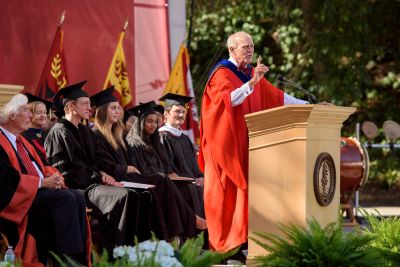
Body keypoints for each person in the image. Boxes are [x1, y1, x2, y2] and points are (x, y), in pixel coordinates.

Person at [198, 31, 307, 252]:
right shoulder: (221, 75)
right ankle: (222, 250)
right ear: (231, 50)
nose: (250, 50)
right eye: (245, 47)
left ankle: (244, 244)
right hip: (226, 150)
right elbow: (227, 102)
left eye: (252, 46)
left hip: (250, 147)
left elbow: (279, 97)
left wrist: (309, 106)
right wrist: (251, 84)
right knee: (225, 199)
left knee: (247, 200)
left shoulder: (250, 73)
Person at [44, 82, 138, 254]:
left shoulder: (84, 130)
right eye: (85, 104)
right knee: (120, 196)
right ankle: (113, 253)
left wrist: (104, 174)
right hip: (75, 189)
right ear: (71, 106)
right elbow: (69, 172)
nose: (90, 107)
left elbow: (96, 160)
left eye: (89, 103)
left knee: (132, 193)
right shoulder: (59, 132)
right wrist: (100, 177)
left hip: (92, 183)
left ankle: (131, 250)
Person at [0, 94, 88, 266]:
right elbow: (5, 179)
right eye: (26, 111)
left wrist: (52, 176)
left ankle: (78, 259)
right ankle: (66, 261)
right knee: (65, 199)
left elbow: (39, 166)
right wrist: (41, 183)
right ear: (12, 115)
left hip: (35, 194)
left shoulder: (22, 141)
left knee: (77, 196)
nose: (30, 115)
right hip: (15, 202)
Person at [125, 101, 207, 239]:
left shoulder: (154, 142)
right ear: (141, 123)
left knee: (191, 188)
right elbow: (141, 170)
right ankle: (190, 226)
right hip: (146, 182)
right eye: (149, 121)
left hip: (161, 180)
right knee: (185, 190)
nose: (153, 125)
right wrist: (162, 174)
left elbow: (166, 166)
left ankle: (195, 237)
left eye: (155, 122)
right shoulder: (133, 143)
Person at [159, 93, 205, 216]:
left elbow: (193, 164)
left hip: (192, 181)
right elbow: (167, 167)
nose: (181, 115)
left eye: (183, 112)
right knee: (193, 191)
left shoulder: (184, 138)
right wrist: (191, 180)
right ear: (166, 114)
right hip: (177, 184)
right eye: (177, 111)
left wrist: (200, 177)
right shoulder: (162, 136)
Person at [21, 93, 53, 164]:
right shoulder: (23, 137)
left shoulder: (48, 134)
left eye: (45, 112)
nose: (43, 115)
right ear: (29, 114)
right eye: (39, 112)